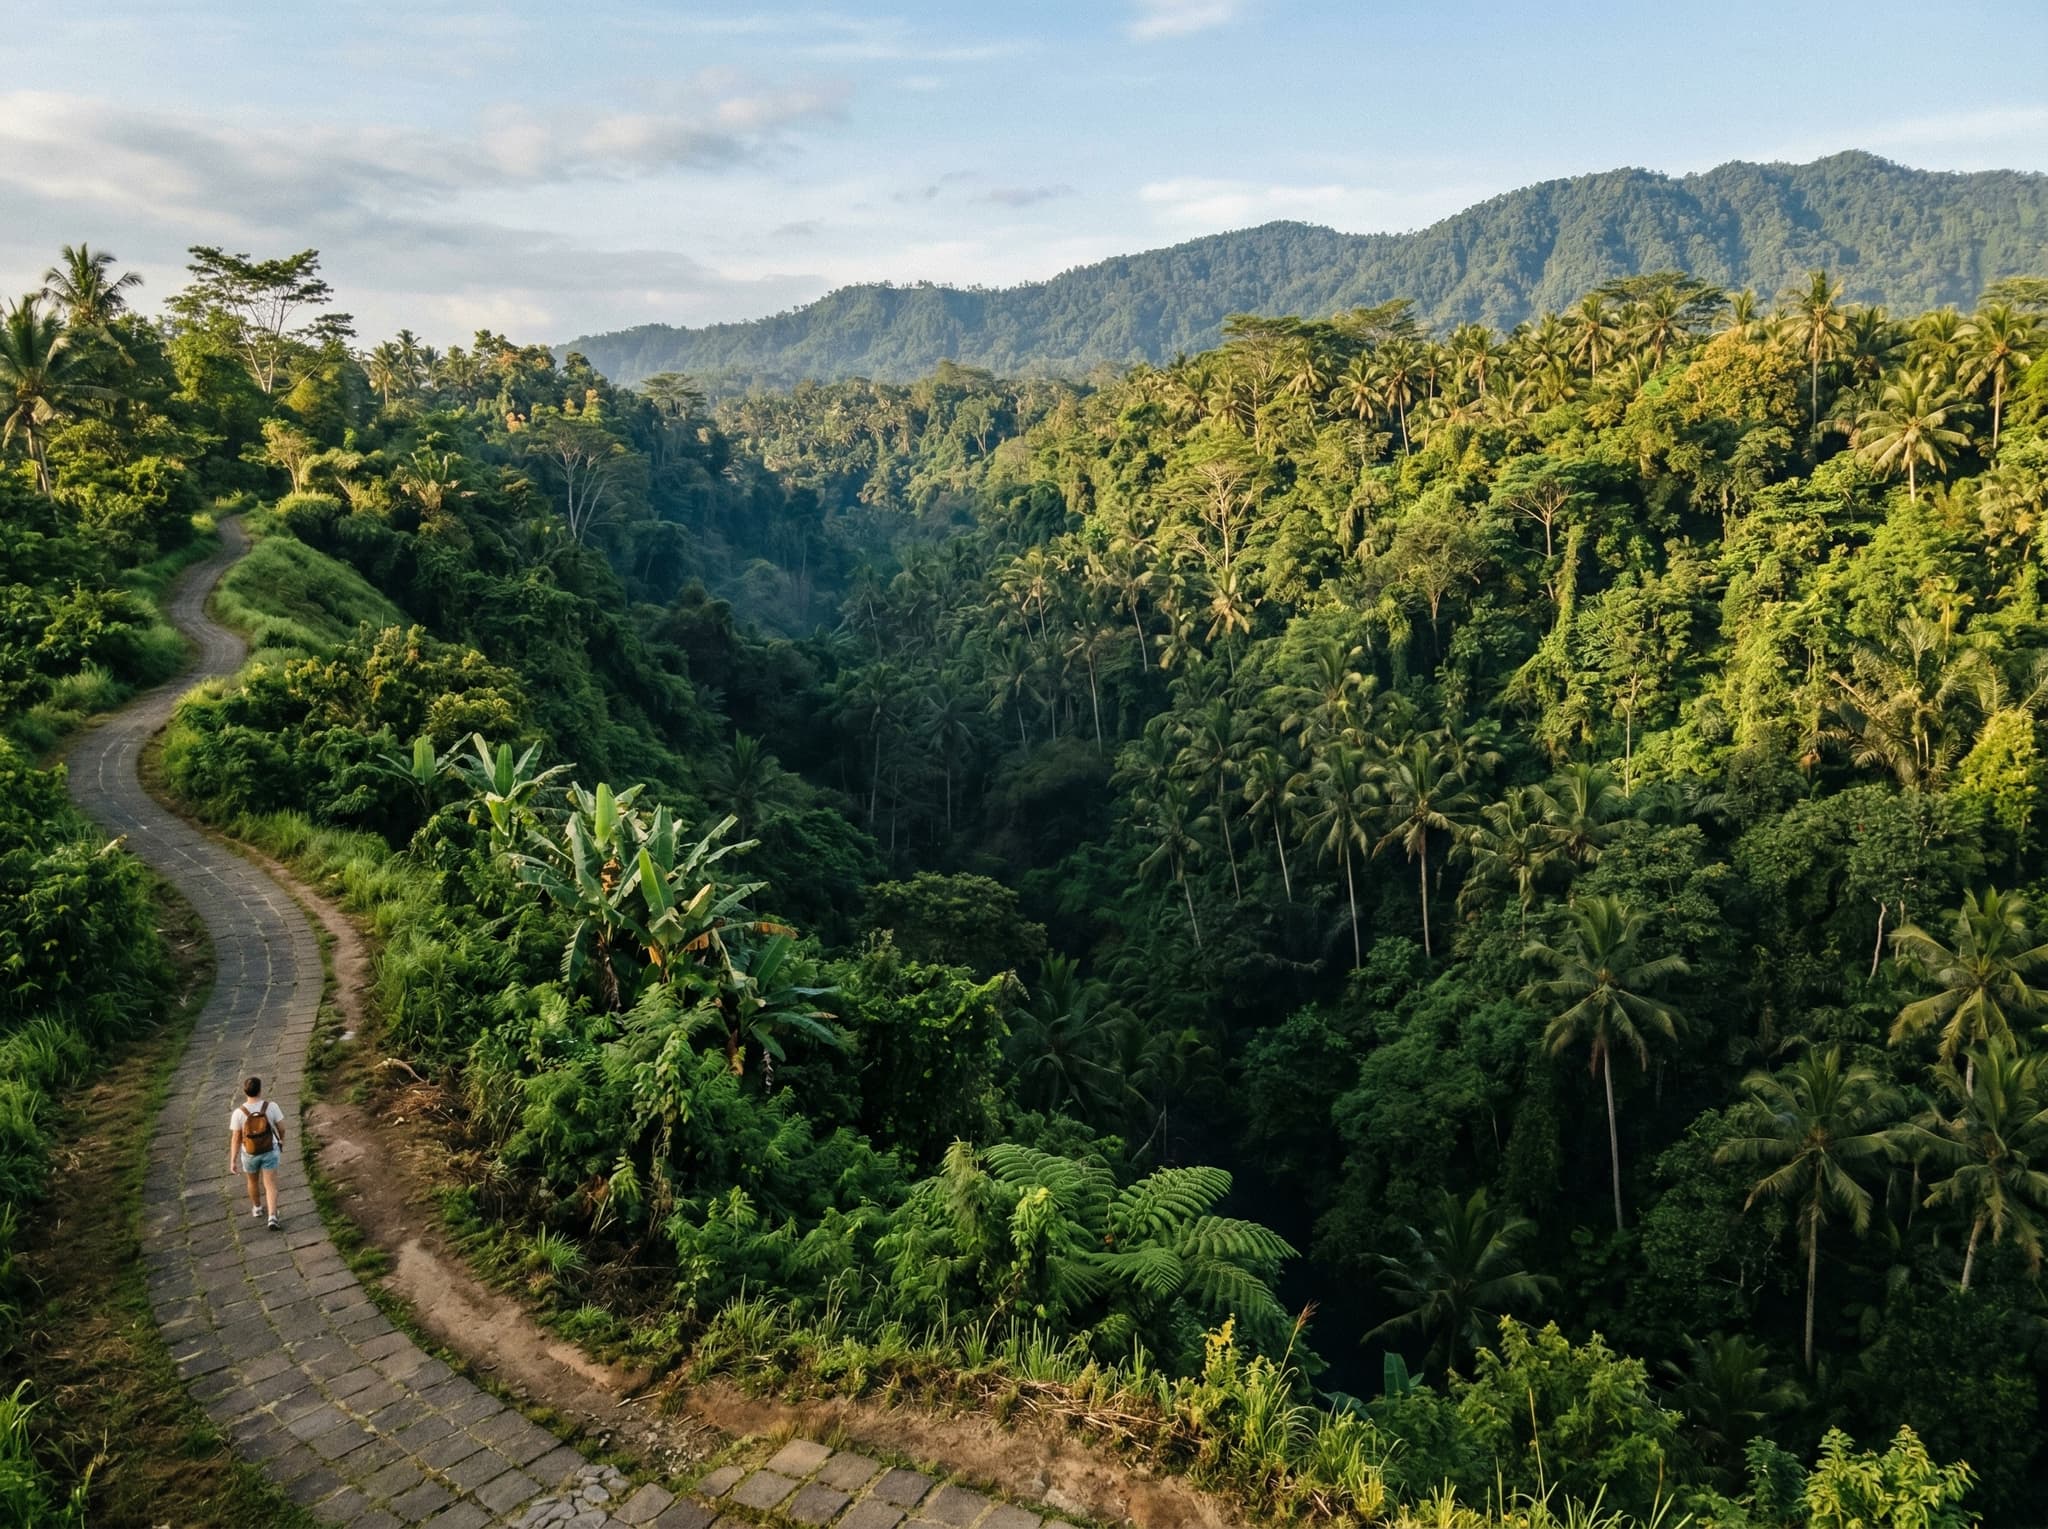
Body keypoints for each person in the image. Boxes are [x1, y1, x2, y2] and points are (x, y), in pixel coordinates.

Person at [228, 1076, 286, 1229]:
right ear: (260, 1090)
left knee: (252, 1181)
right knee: (270, 1184)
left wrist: (233, 1160)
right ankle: (272, 1217)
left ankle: (257, 1207)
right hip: (270, 1150)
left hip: (249, 1153)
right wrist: (281, 1140)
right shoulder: (271, 1107)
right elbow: (282, 1127)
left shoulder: (238, 1113)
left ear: (244, 1091)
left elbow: (236, 1138)